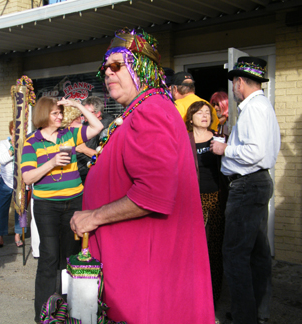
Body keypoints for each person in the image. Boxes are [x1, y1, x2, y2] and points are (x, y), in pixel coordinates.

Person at [70, 28, 215, 323]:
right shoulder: (140, 110)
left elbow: (153, 194)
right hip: (132, 263)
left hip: (143, 272)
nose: (108, 73)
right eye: (104, 67)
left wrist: (93, 216)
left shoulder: (151, 111)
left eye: (116, 65)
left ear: (142, 68)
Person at [211, 56, 281, 324]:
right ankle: (258, 314)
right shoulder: (264, 106)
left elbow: (254, 152)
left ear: (239, 82)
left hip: (247, 185)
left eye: (234, 84)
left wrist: (224, 148)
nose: (234, 90)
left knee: (235, 254)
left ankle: (244, 317)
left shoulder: (252, 108)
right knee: (257, 253)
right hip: (258, 182)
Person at [21, 96, 103, 323]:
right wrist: (51, 163)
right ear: (43, 115)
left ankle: (69, 307)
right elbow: (28, 176)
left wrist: (77, 106)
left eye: (60, 113)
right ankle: (45, 313)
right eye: (55, 113)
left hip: (74, 202)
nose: (60, 116)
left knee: (70, 256)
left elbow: (97, 127)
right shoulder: (31, 143)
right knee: (48, 257)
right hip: (47, 206)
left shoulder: (68, 134)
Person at [185, 101, 227, 303]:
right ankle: (195, 291)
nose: (205, 116)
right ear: (190, 118)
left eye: (208, 113)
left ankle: (214, 294)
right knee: (194, 246)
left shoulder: (221, 138)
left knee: (215, 246)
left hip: (216, 198)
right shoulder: (184, 140)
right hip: (192, 200)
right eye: (199, 113)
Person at [0, 121, 25, 250]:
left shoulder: (24, 143)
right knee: (2, 209)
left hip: (20, 180)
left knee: (19, 210)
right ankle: (0, 237)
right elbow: (2, 159)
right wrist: (12, 150)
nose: (16, 131)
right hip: (6, 180)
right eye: (14, 129)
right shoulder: (4, 144)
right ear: (11, 130)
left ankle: (18, 235)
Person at [76, 96, 115, 184]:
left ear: (98, 114)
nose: (84, 115)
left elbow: (107, 157)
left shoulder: (107, 129)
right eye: (83, 112)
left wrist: (84, 149)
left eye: (88, 112)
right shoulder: (86, 124)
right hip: (81, 173)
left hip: (94, 175)